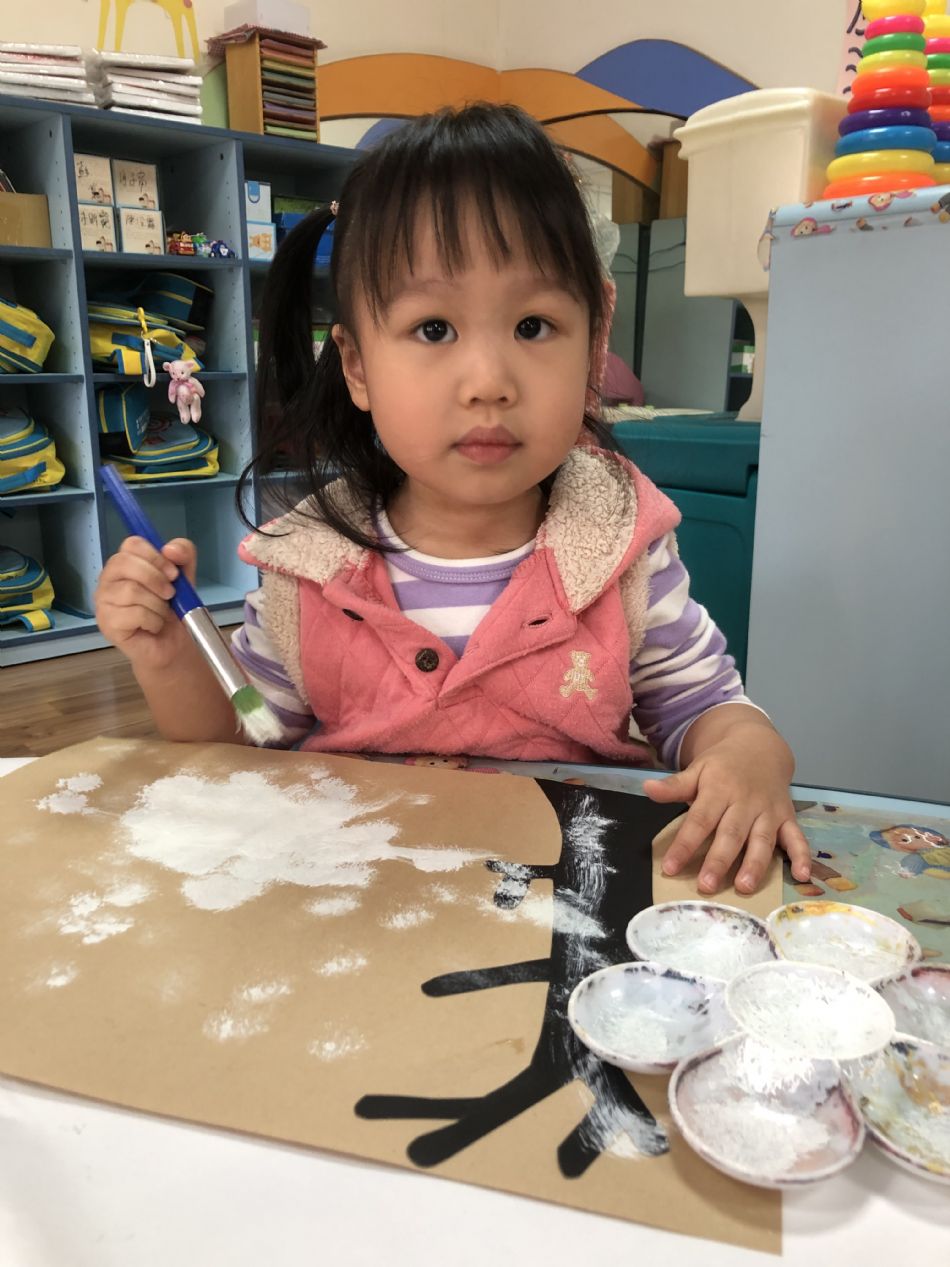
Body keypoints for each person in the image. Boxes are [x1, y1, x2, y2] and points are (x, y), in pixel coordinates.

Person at [94, 103, 811, 897]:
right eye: (434, 329)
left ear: (595, 339)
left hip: (563, 899)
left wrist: (748, 757)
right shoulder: (309, 566)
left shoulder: (618, 545)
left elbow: (709, 709)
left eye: (533, 325)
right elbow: (243, 742)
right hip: (362, 903)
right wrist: (169, 657)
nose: (489, 383)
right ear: (357, 366)